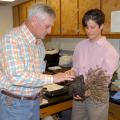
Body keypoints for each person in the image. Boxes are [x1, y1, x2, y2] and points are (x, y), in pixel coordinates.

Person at [0, 3, 75, 120]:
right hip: (14, 105)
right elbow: (16, 76)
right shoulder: (12, 38)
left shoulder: (39, 43)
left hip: (34, 102)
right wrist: (53, 78)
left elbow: (36, 74)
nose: (50, 31)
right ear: (34, 21)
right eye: (47, 26)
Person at [66, 9, 119, 120]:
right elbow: (76, 67)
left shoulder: (110, 51)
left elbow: (104, 81)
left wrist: (87, 92)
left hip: (97, 97)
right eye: (86, 27)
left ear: (101, 26)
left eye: (92, 27)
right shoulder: (80, 46)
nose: (88, 31)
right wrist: (72, 71)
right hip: (79, 94)